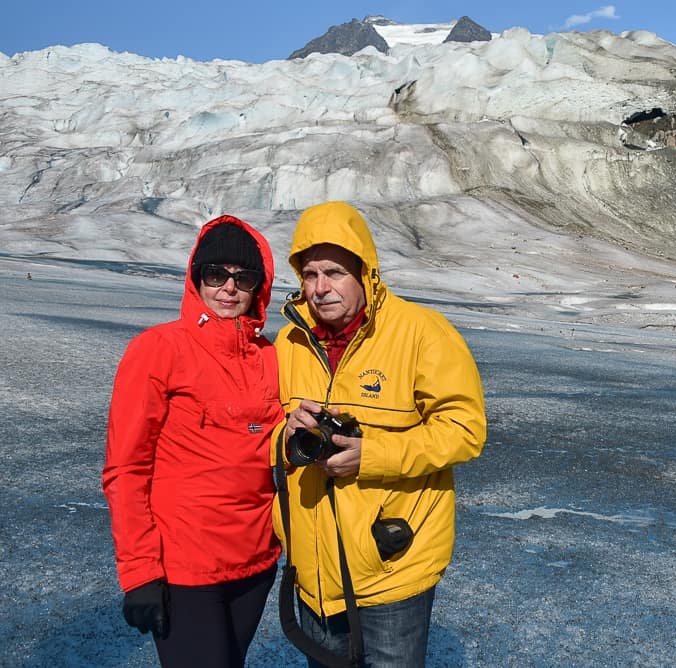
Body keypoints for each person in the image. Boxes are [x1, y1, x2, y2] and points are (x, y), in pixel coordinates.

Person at [271, 201, 487, 667]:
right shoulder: (288, 343)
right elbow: (267, 431)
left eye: (334, 272)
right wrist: (285, 437)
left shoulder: (421, 332)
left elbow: (465, 429)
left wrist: (372, 455)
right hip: (313, 570)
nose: (320, 288)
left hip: (391, 564)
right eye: (309, 274)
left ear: (364, 272)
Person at [103, 215, 284, 667]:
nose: (228, 288)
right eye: (215, 274)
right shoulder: (157, 349)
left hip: (256, 564)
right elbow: (125, 468)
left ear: (259, 287)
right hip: (185, 568)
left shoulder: (273, 358)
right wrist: (140, 572)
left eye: (243, 278)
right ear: (196, 277)